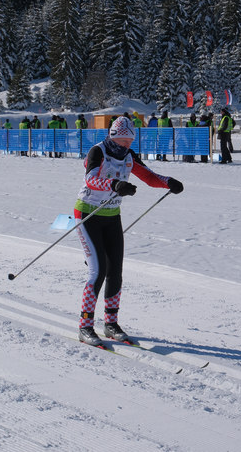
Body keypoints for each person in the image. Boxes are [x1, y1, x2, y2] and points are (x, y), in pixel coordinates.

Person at [75, 116, 184, 346]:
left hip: (112, 216)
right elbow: (91, 179)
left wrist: (168, 182)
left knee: (115, 271)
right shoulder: (98, 151)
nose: (126, 145)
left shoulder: (128, 156)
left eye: (130, 141)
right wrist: (115, 185)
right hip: (88, 214)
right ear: (113, 136)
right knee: (97, 271)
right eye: (122, 140)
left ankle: (111, 323)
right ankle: (85, 326)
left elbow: (149, 176)